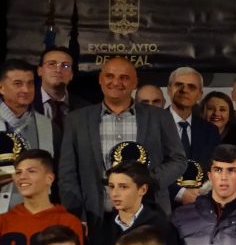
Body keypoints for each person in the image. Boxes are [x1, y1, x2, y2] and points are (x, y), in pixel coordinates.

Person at [59, 56, 187, 228]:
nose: (116, 82)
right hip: (95, 218)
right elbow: (67, 174)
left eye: (124, 78)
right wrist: (76, 215)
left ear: (135, 83)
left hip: (148, 216)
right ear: (100, 79)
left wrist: (145, 181)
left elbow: (178, 160)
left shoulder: (159, 117)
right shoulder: (77, 120)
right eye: (110, 76)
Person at [90, 160, 185, 245]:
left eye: (123, 187)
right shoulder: (101, 229)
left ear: (142, 189)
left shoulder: (162, 228)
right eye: (112, 186)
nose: (115, 193)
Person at [0, 60, 55, 212]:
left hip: (35, 214)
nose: (25, 89)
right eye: (17, 83)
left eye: (30, 83)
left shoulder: (46, 124)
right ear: (1, 87)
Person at [166, 67, 220, 207]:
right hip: (163, 208)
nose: (185, 90)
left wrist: (203, 192)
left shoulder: (210, 131)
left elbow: (213, 169)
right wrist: (180, 193)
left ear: (200, 94)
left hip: (201, 207)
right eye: (179, 85)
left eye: (191, 87)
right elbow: (149, 170)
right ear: (169, 89)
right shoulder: (152, 125)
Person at [34, 47, 87, 148]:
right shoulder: (25, 105)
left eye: (65, 66)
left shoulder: (85, 109)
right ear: (39, 70)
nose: (58, 70)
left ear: (71, 74)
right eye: (51, 64)